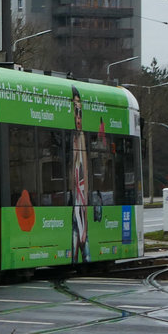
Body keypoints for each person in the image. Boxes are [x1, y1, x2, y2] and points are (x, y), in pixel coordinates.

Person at [70, 87, 89, 263]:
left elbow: (85, 178)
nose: (78, 117)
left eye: (79, 111)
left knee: (84, 253)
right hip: (74, 205)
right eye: (75, 111)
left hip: (81, 205)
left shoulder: (81, 139)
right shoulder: (71, 139)